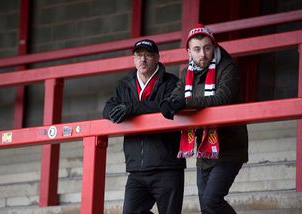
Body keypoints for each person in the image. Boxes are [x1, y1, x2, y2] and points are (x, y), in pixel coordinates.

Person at [160, 24, 248, 214]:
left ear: (214, 47)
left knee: (212, 201)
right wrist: (168, 104)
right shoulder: (187, 74)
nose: (203, 54)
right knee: (206, 209)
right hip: (204, 149)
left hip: (230, 146)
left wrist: (186, 103)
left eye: (207, 48)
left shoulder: (228, 68)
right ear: (189, 52)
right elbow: (177, 94)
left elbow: (222, 98)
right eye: (197, 49)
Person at [103, 39, 186, 214]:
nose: (143, 59)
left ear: (157, 58)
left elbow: (165, 105)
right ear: (133, 59)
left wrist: (130, 108)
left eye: (148, 55)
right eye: (139, 55)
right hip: (137, 169)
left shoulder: (171, 82)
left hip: (167, 166)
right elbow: (108, 108)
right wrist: (115, 112)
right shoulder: (125, 84)